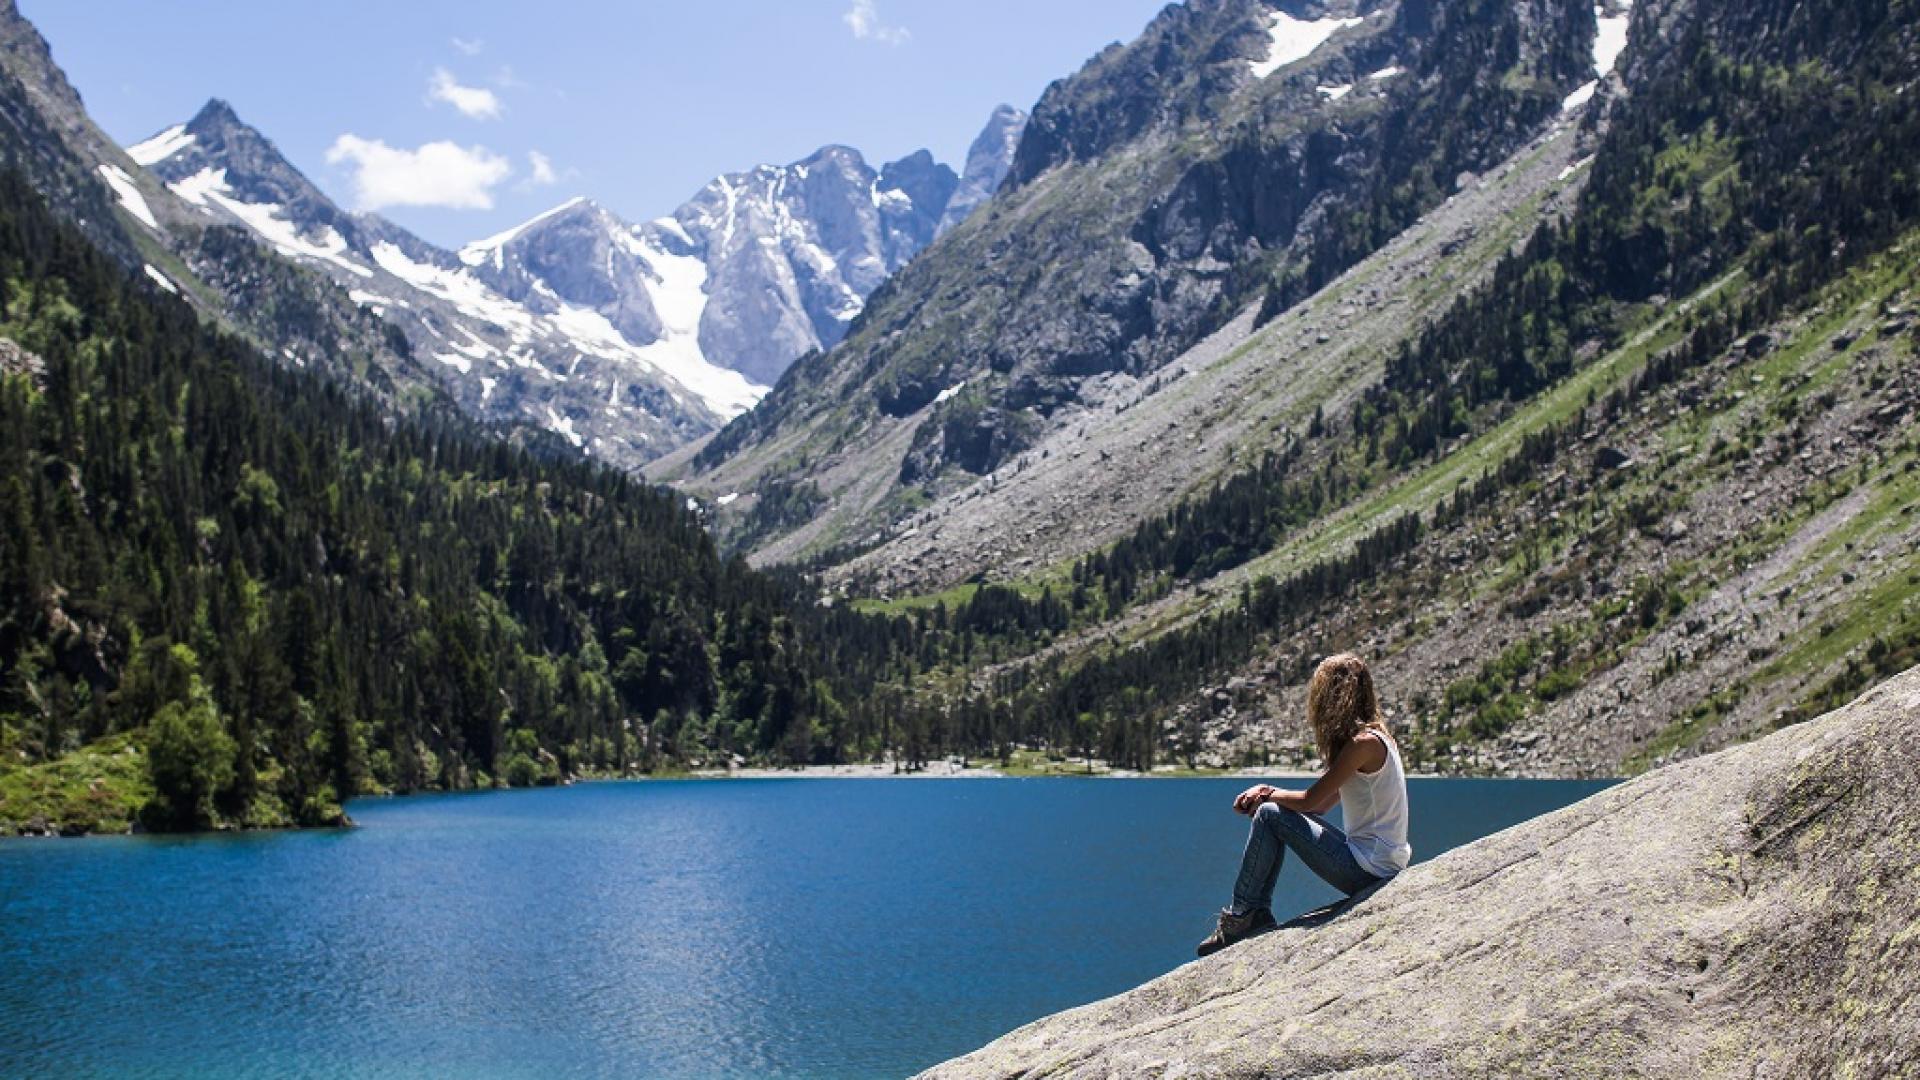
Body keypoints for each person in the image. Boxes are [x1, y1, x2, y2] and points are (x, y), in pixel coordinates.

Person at [1196, 653, 1411, 957]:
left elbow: (1311, 800)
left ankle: (1244, 916)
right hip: (1383, 863)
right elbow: (1320, 806)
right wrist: (1270, 795)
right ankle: (1250, 913)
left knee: (1270, 814)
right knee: (1273, 813)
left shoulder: (1362, 744)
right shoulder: (1379, 738)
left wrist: (1266, 794)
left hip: (1370, 870)